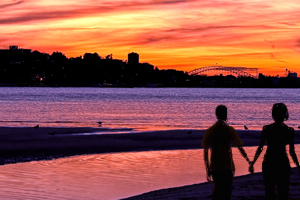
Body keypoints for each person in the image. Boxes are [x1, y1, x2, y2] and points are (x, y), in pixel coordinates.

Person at [249, 103, 300, 200]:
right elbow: (292, 152)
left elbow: (260, 148)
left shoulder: (267, 129)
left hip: (269, 162)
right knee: (283, 192)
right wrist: (297, 166)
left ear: (273, 114)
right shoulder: (289, 130)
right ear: (285, 114)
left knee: (269, 192)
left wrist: (253, 162)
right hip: (283, 163)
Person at [202, 105, 250, 200]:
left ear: (216, 115)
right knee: (226, 192)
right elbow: (239, 146)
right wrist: (248, 160)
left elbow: (206, 151)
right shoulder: (229, 130)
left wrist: (208, 167)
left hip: (215, 165)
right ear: (225, 115)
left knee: (217, 190)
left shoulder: (210, 131)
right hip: (227, 165)